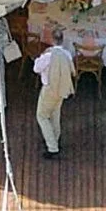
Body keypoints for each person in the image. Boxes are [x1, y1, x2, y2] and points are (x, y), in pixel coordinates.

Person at [34, 30, 77, 158]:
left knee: (41, 116)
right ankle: (55, 137)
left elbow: (36, 68)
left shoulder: (48, 55)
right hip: (62, 89)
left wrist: (40, 57)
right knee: (55, 114)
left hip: (49, 88)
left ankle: (52, 146)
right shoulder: (67, 54)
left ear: (52, 40)